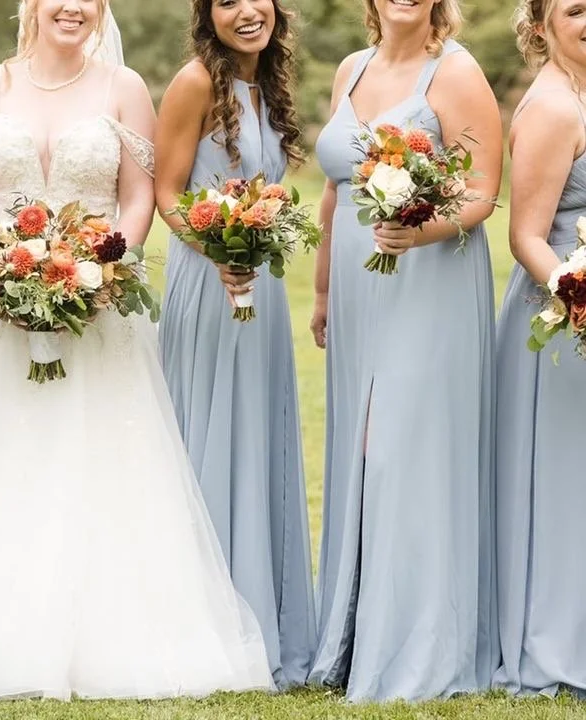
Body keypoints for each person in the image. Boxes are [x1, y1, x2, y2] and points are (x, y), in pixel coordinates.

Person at [0, 0, 274, 700]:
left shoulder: (123, 89)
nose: (71, 6)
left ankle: (114, 636)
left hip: (99, 308)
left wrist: (101, 266)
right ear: (31, 7)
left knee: (99, 458)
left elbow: (137, 200)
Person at [307, 0, 502, 702]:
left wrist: (417, 234)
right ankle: (357, 636)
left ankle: (419, 642)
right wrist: (324, 290)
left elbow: (482, 193)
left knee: (408, 449)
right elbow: (333, 196)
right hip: (359, 292)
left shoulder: (456, 72)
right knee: (362, 450)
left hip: (432, 281)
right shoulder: (350, 69)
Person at [154, 0, 315, 688]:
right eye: (226, 1)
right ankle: (200, 621)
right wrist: (216, 247)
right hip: (210, 278)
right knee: (209, 438)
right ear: (207, 14)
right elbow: (166, 194)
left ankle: (261, 615)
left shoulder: (267, 84)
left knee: (257, 436)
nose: (246, 11)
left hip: (262, 284)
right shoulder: (195, 82)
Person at [493, 0, 586, 697]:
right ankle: (557, 645)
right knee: (563, 486)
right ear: (542, 26)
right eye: (576, 9)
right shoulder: (554, 108)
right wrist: (573, 289)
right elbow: (525, 233)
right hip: (562, 322)